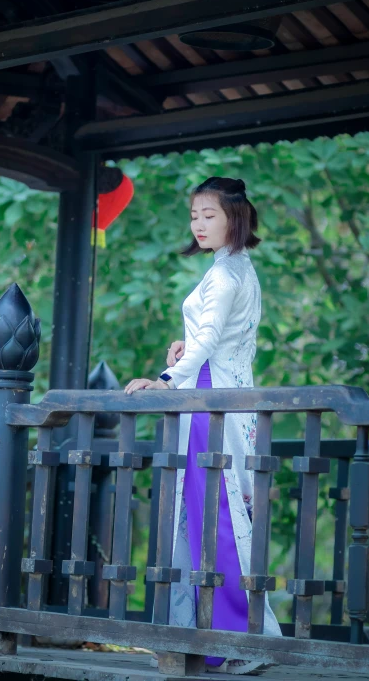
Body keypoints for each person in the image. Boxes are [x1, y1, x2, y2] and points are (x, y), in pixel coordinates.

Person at [124, 177, 281, 676]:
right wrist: (183, 345)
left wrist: (166, 379)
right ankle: (200, 636)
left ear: (235, 216)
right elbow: (213, 335)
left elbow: (213, 334)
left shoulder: (229, 274)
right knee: (207, 517)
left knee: (217, 517)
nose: (199, 223)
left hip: (209, 404)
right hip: (218, 394)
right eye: (195, 215)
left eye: (209, 214)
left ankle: (239, 638)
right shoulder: (234, 268)